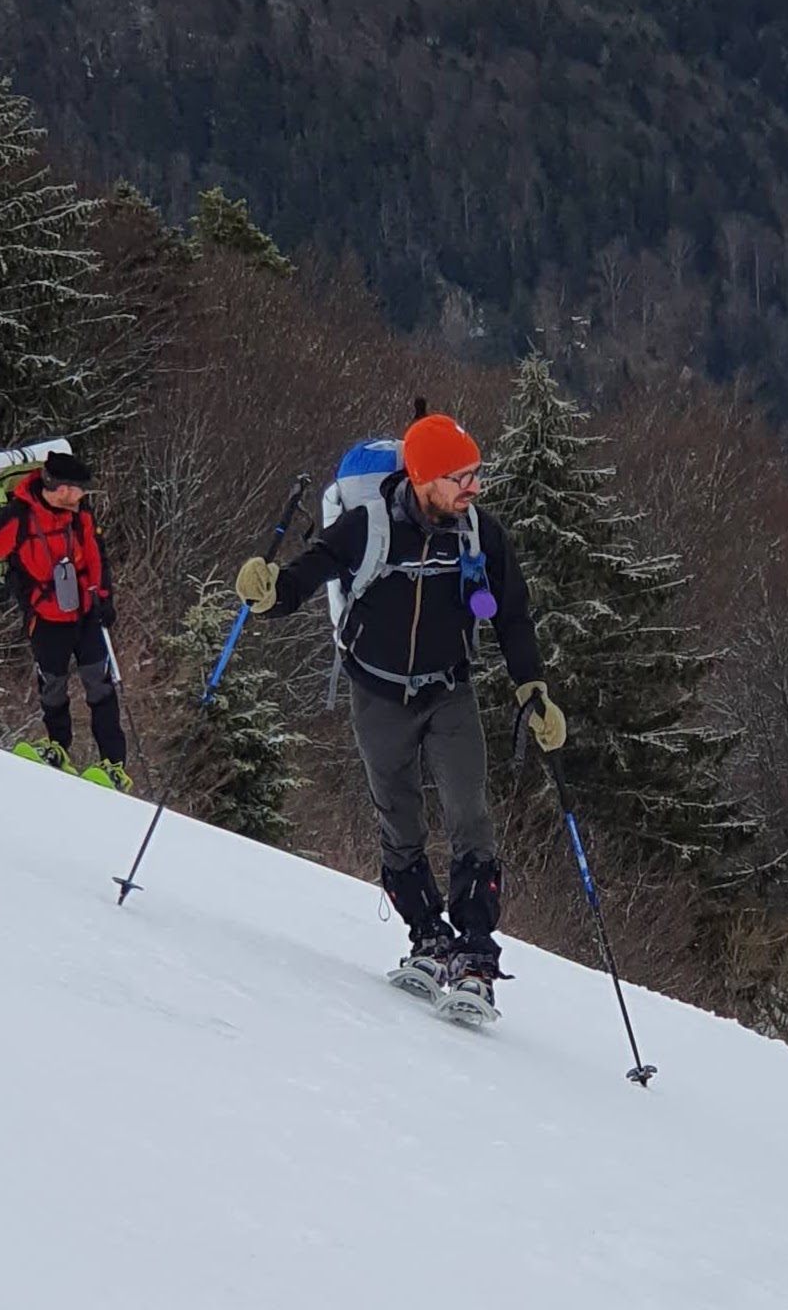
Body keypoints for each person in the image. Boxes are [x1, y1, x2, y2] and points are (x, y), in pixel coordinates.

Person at [233, 412, 564, 1009]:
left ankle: (476, 949)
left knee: (470, 814)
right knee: (399, 819)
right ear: (423, 477)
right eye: (460, 477)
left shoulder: (479, 534)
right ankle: (428, 935)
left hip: (449, 690)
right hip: (378, 695)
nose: (474, 488)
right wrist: (269, 592)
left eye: (476, 474)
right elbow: (309, 573)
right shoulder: (369, 527)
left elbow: (513, 613)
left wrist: (532, 689)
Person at [0, 449, 131, 789]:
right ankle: (58, 746)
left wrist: (104, 598)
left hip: (86, 614)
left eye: (81, 491)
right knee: (52, 685)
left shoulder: (79, 515)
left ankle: (114, 765)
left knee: (100, 686)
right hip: (45, 617)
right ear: (56, 487)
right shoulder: (20, 516)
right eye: (75, 490)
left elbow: (97, 558)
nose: (80, 496)